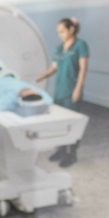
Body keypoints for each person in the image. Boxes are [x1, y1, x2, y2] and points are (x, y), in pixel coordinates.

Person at [36, 18, 88, 166]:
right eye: (58, 32)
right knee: (60, 122)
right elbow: (54, 67)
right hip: (59, 91)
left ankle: (72, 154)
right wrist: (43, 76)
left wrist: (78, 89)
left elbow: (83, 69)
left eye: (62, 31)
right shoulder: (59, 48)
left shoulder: (80, 45)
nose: (60, 35)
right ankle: (61, 150)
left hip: (71, 91)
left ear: (71, 30)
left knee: (73, 123)